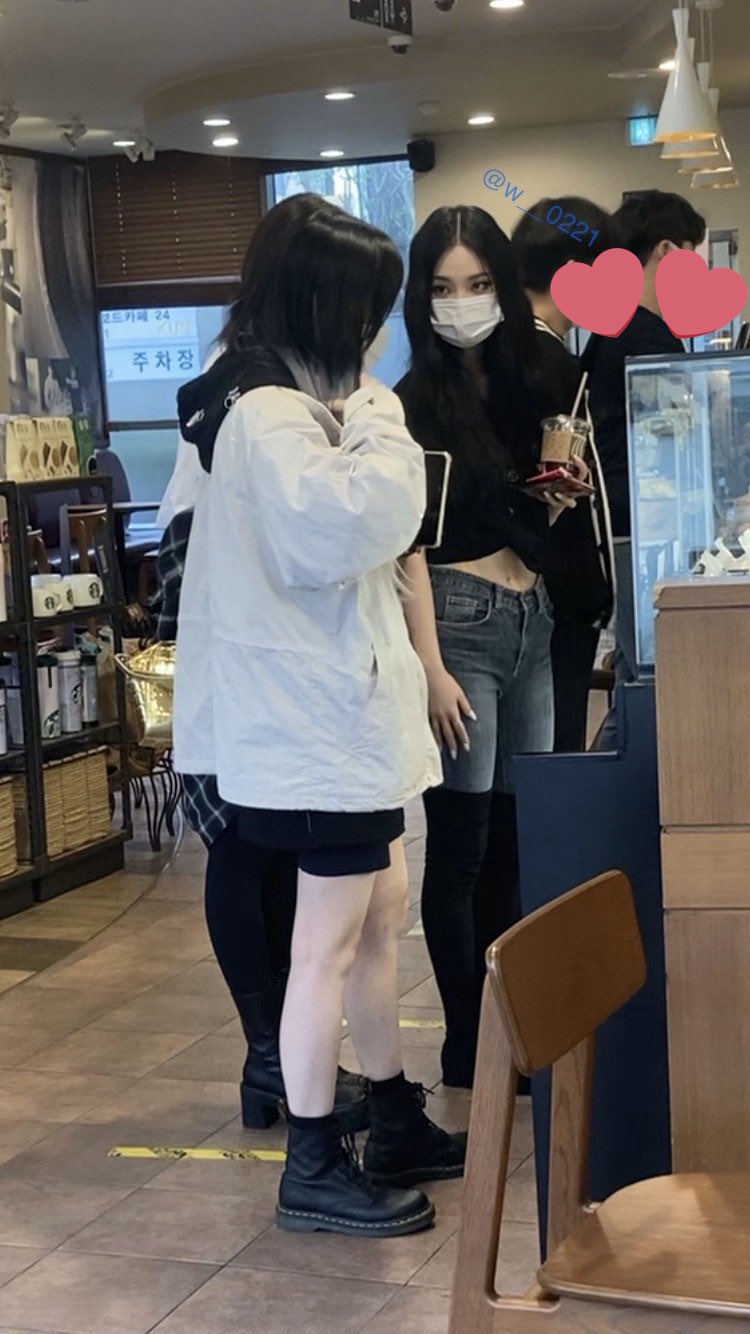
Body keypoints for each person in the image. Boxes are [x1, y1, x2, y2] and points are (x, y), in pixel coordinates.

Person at [173, 202, 467, 1238]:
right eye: (371, 308)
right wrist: (382, 412)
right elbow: (353, 526)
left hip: (335, 720)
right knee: (326, 949)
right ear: (329, 306)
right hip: (313, 730)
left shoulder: (282, 401)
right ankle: (312, 1161)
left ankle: (389, 1113)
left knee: (379, 920)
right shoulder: (267, 413)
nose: (379, 331)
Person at [153, 195, 368, 1138]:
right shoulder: (246, 383)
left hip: (245, 589)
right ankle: (269, 1051)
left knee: (267, 835)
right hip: (220, 587)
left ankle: (281, 1054)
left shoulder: (278, 370)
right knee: (242, 832)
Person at [395, 205, 587, 1088]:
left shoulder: (534, 372)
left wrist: (559, 491)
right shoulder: (409, 403)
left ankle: (514, 1037)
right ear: (420, 297)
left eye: (477, 284)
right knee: (462, 844)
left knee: (518, 836)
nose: (461, 303)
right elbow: (409, 546)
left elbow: (535, 499)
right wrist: (430, 668)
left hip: (532, 614)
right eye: (442, 288)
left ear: (504, 286)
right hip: (457, 621)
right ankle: (468, 1043)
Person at [582, 190, 705, 738]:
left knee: (640, 668)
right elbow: (674, 432)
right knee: (649, 671)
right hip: (641, 523)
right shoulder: (646, 333)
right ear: (666, 251)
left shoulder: (615, 326)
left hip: (623, 517)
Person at [511, 197, 615, 751]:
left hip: (511, 585)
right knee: (558, 746)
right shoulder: (553, 363)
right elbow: (570, 494)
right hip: (555, 591)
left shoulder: (498, 350)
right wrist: (595, 595)